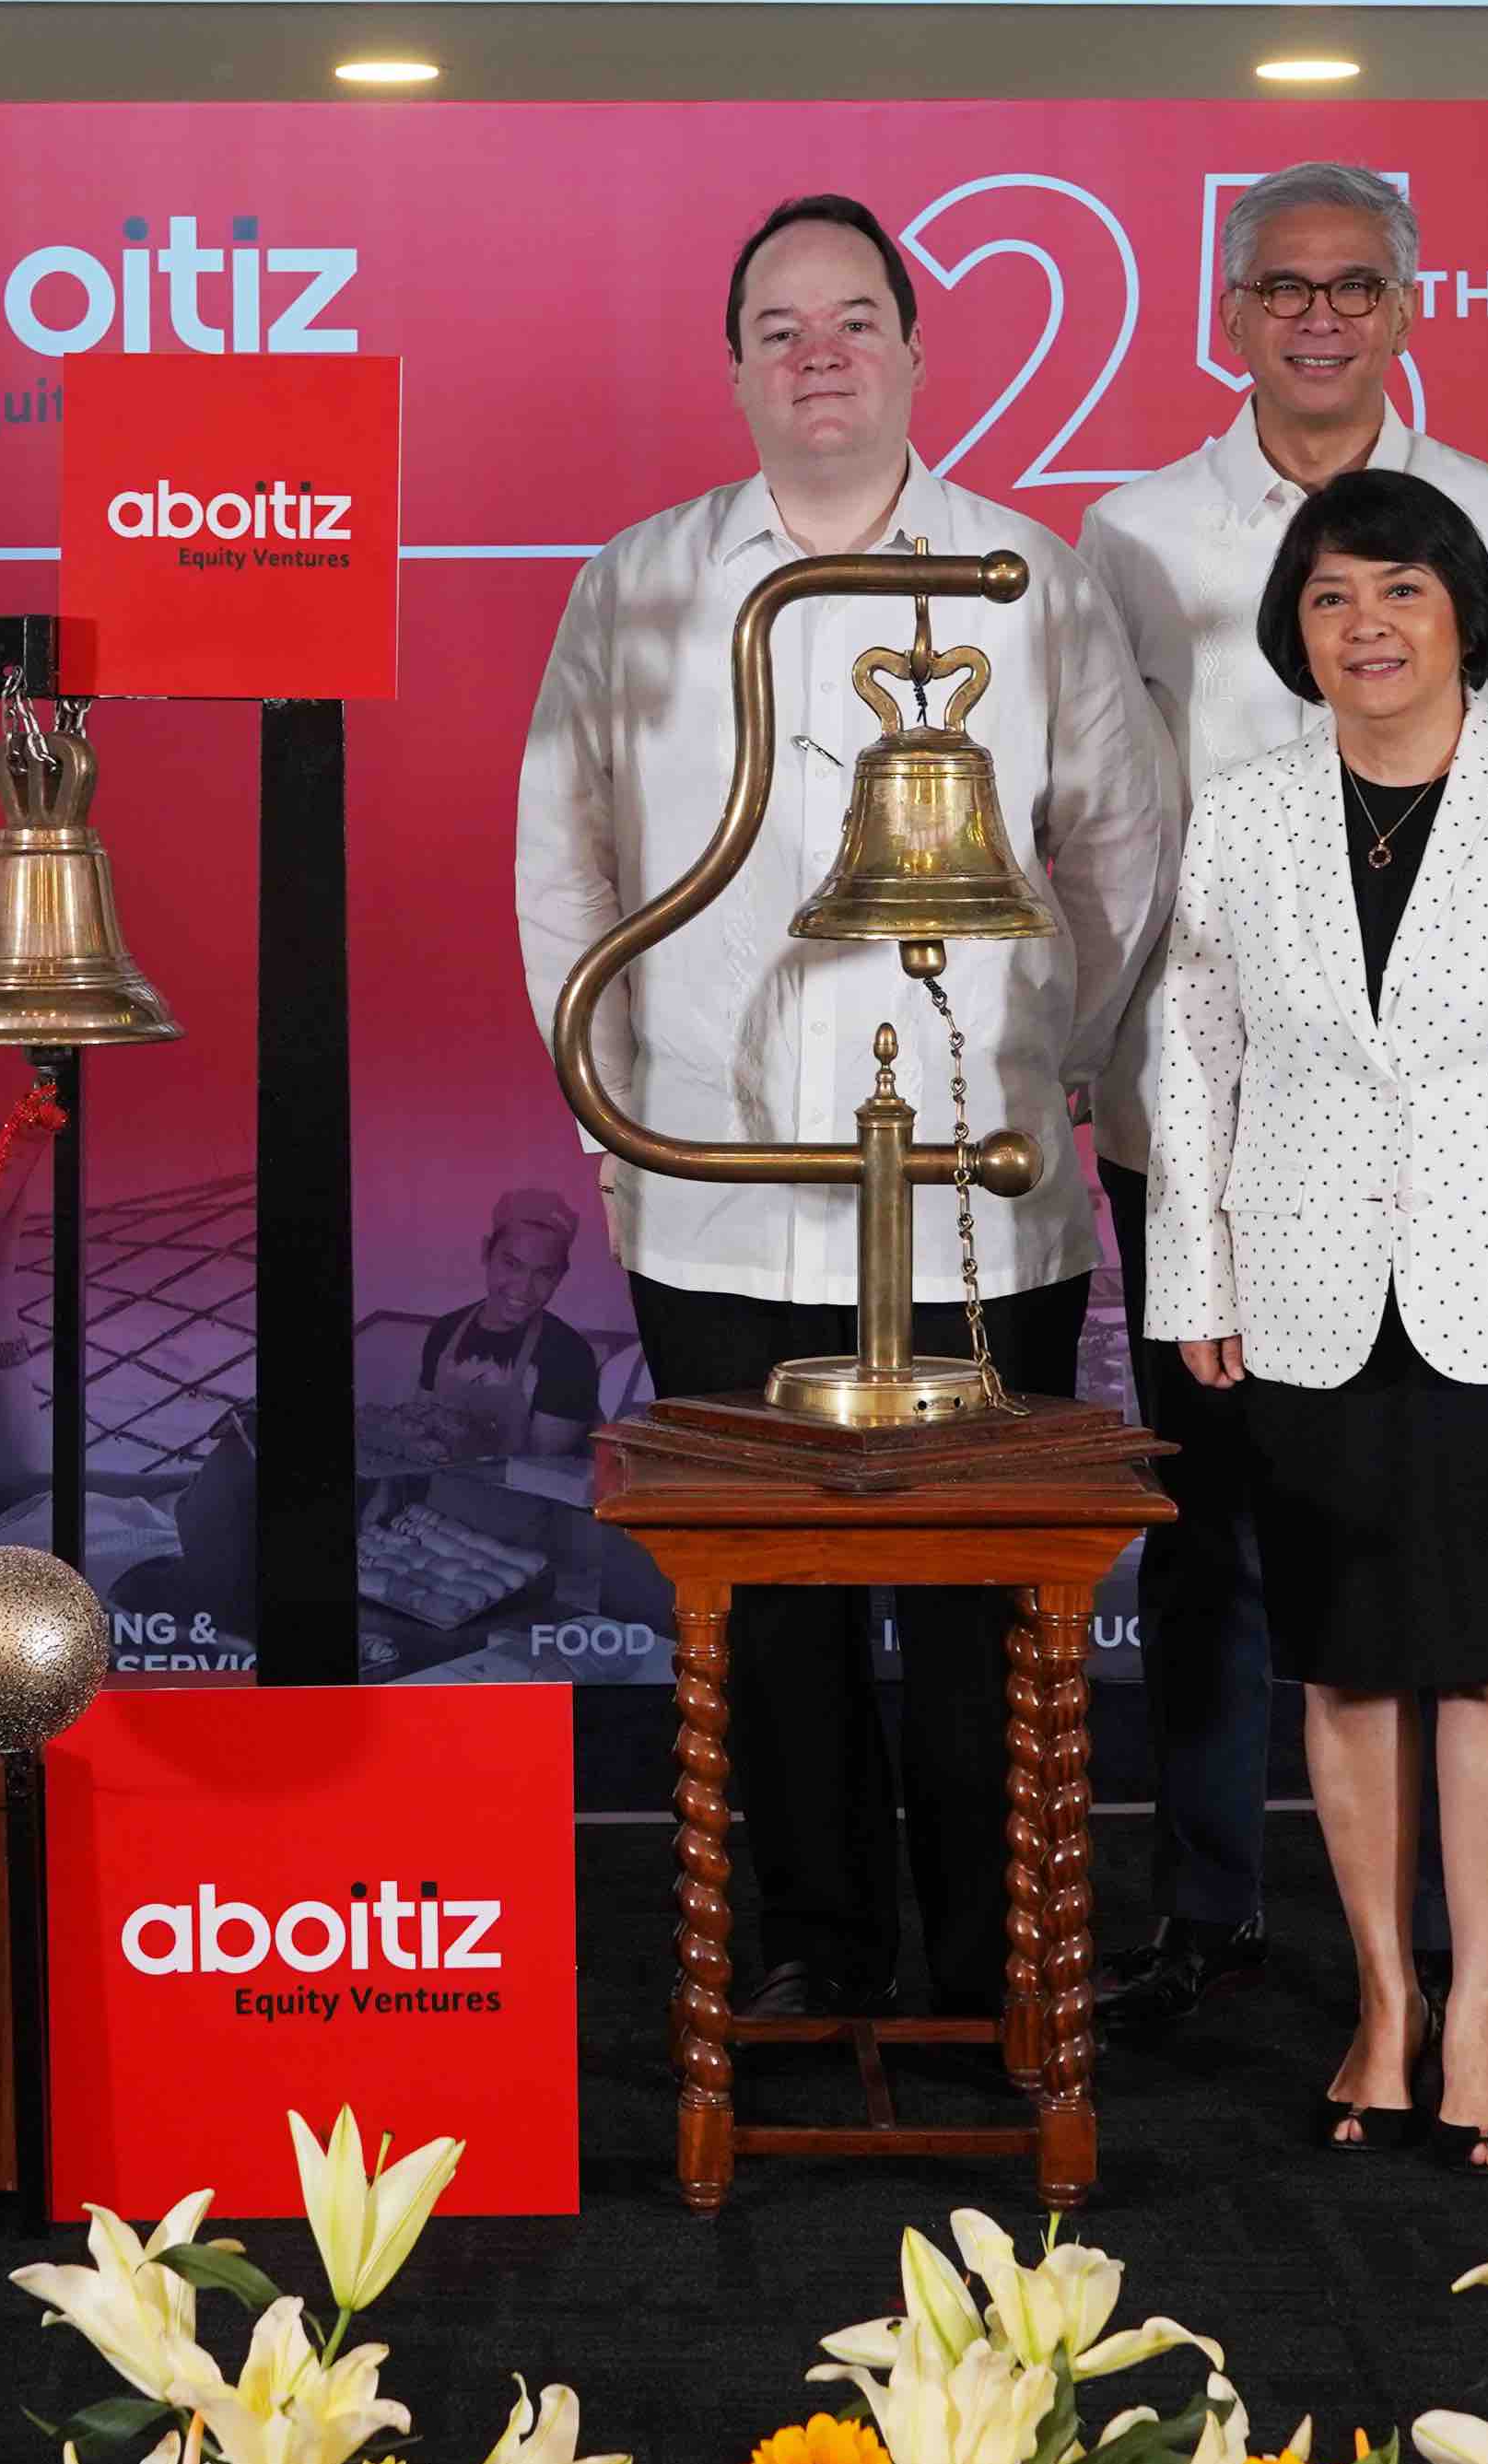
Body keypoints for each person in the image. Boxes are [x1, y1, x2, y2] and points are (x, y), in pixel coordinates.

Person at [515, 193, 1172, 2026]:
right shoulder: (638, 582)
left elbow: (1122, 858)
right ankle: (808, 1936)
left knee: (983, 1600)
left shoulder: (1026, 575)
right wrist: (602, 1096)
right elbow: (557, 861)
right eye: (778, 324)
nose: (818, 352)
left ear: (912, 349)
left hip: (977, 1180)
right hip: (710, 1180)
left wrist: (1066, 1051)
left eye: (854, 319)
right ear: (732, 365)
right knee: (769, 1606)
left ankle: (992, 1951)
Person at [1139, 470, 1488, 2175]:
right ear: (1291, 631)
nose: (1364, 624)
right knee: (1348, 1665)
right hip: (1306, 1284)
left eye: (1396, 588)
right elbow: (1193, 1053)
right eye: (1326, 597)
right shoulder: (1239, 810)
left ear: (1464, 604)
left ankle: (1479, 2010)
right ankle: (1382, 2003)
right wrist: (1195, 1274)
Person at [1077, 159, 1488, 2037]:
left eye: (1352, 284)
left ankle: (1455, 1957)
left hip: (1461, 1153)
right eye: (1279, 286)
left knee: (1442, 1546)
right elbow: (1103, 830)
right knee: (1207, 1533)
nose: (1314, 316)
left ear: (1402, 304)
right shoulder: (1126, 535)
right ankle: (1210, 1908)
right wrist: (1097, 1053)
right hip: (1211, 1125)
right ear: (1226, 309)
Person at [402, 1186, 605, 1467]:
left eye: (544, 1273)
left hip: (515, 1508)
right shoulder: (444, 1331)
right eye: (511, 1264)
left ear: (560, 1276)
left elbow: (541, 1472)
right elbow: (418, 1428)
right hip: (433, 1498)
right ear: (486, 1252)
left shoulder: (568, 1355)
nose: (523, 1288)